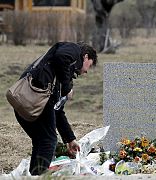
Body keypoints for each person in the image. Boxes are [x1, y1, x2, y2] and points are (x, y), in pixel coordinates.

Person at [14, 42, 97, 175]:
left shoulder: (61, 73)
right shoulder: (74, 50)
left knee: (41, 141)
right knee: (49, 140)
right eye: (90, 65)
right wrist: (67, 88)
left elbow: (58, 111)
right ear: (86, 57)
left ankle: (35, 175)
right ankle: (40, 176)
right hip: (36, 100)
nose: (86, 71)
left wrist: (70, 139)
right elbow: (61, 55)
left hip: (27, 103)